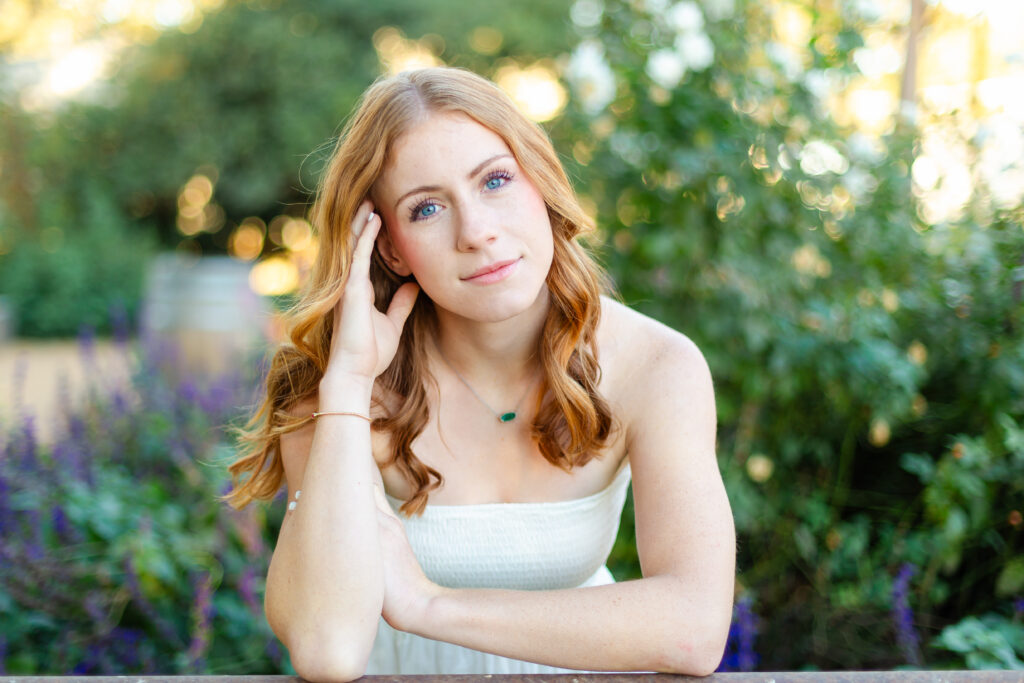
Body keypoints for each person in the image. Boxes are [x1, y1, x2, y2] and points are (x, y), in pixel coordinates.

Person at [226, 65, 735, 680]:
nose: (477, 232)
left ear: (540, 182)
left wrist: (429, 606)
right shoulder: (338, 382)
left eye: (495, 180)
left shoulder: (658, 366)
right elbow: (326, 648)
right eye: (427, 208)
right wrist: (349, 388)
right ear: (388, 247)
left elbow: (695, 628)